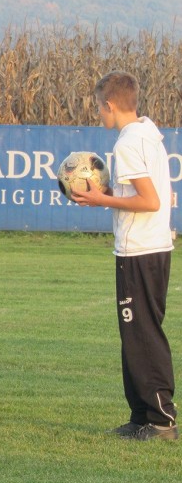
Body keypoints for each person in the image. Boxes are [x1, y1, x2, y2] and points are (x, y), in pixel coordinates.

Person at [71, 71, 177, 441]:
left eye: (99, 108)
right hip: (151, 248)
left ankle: (162, 420)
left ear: (109, 105)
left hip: (140, 252)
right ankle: (142, 416)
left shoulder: (129, 142)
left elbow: (150, 201)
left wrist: (102, 199)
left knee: (143, 335)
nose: (99, 115)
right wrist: (108, 192)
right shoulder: (148, 133)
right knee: (134, 334)